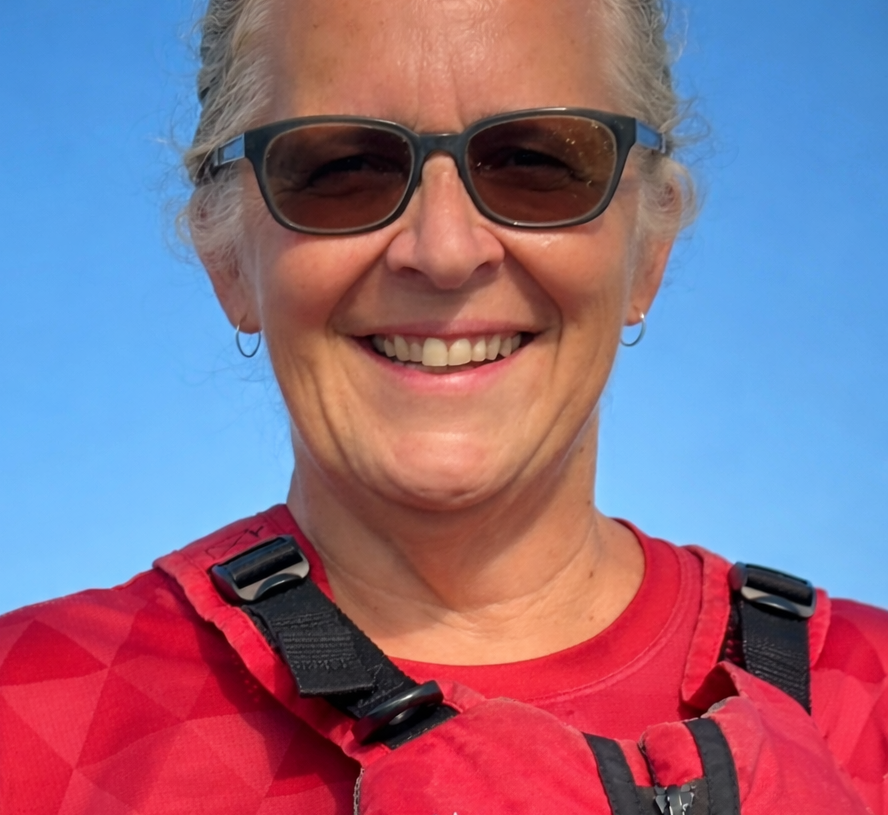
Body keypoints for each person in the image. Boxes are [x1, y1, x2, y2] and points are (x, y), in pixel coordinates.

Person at [1, 0, 885, 812]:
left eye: (537, 162)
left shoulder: (869, 693)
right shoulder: (28, 719)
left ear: (648, 247)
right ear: (229, 260)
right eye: (341, 168)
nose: (446, 250)